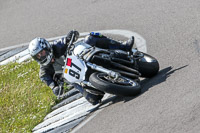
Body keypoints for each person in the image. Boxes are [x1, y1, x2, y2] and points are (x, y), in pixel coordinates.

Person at [28, 30, 134, 105]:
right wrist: (55, 89)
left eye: (42, 52)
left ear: (47, 47)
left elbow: (67, 39)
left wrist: (71, 36)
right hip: (80, 81)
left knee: (91, 37)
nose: (41, 56)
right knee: (93, 99)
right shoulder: (44, 71)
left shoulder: (57, 46)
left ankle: (123, 47)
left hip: (85, 61)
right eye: (38, 55)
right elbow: (50, 83)